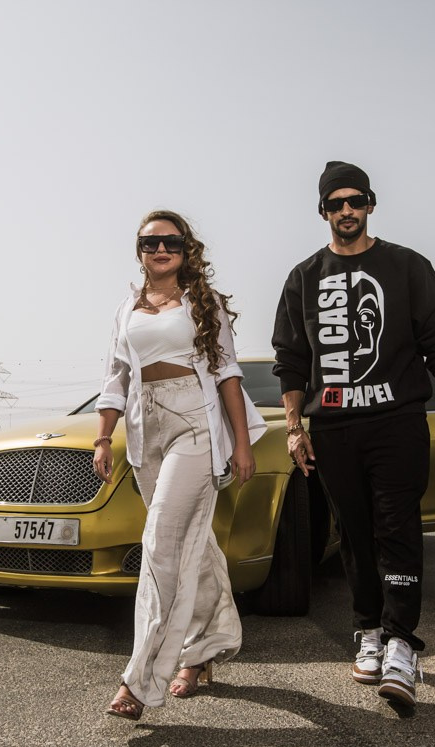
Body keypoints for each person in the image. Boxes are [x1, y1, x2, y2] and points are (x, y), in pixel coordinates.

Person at [271, 161, 435, 708]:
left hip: (396, 422)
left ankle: (402, 641)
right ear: (324, 211)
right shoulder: (303, 277)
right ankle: (368, 630)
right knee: (353, 533)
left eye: (356, 201)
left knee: (395, 526)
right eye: (336, 203)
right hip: (333, 428)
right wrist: (293, 427)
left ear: (371, 205)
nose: (347, 211)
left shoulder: (406, 266)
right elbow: (292, 360)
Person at [94, 210, 266, 721]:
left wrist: (241, 444)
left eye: (170, 241)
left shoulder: (202, 303)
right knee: (196, 543)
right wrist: (104, 437)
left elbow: (228, 373)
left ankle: (141, 678)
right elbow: (116, 377)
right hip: (145, 429)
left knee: (162, 544)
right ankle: (205, 648)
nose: (160, 249)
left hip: (193, 421)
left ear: (186, 249)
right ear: (139, 250)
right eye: (150, 242)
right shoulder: (127, 308)